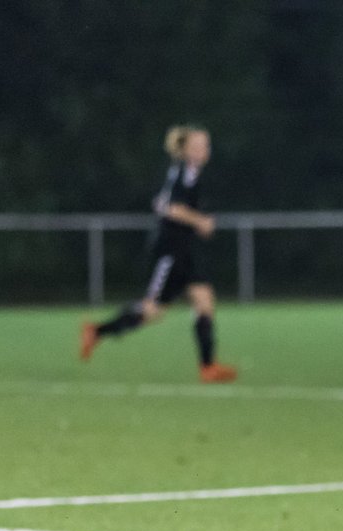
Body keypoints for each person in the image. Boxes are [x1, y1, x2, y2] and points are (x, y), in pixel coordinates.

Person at [80, 124, 238, 383]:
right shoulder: (182, 173)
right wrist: (200, 221)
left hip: (185, 250)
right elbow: (168, 207)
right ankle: (97, 331)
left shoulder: (190, 173)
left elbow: (163, 202)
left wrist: (195, 221)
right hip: (170, 250)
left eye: (206, 145)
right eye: (199, 145)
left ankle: (208, 367)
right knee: (152, 310)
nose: (205, 150)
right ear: (186, 149)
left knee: (204, 299)